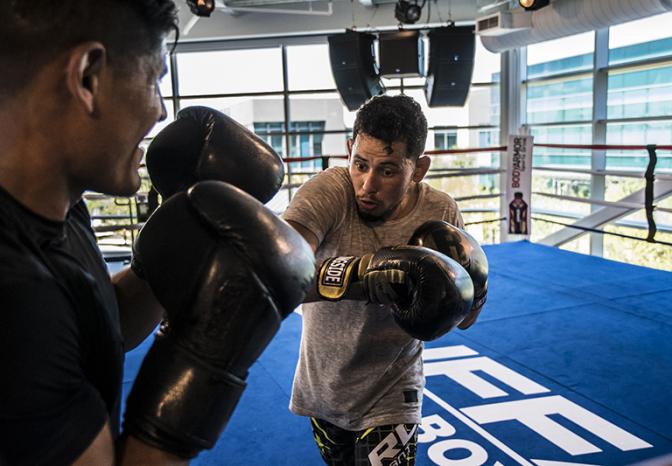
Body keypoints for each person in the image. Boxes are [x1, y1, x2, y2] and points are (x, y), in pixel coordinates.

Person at [0, 2, 315, 465]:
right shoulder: (14, 294)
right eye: (154, 79)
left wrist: (178, 250)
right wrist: (205, 358)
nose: (161, 108)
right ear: (88, 78)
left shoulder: (58, 207)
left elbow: (96, 326)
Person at [282, 94, 487, 466]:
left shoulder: (440, 211)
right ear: (349, 151)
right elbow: (277, 270)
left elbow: (466, 317)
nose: (367, 184)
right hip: (326, 384)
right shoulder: (328, 192)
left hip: (394, 386)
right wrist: (358, 273)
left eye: (388, 170)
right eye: (360, 164)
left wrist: (472, 292)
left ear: (419, 169)